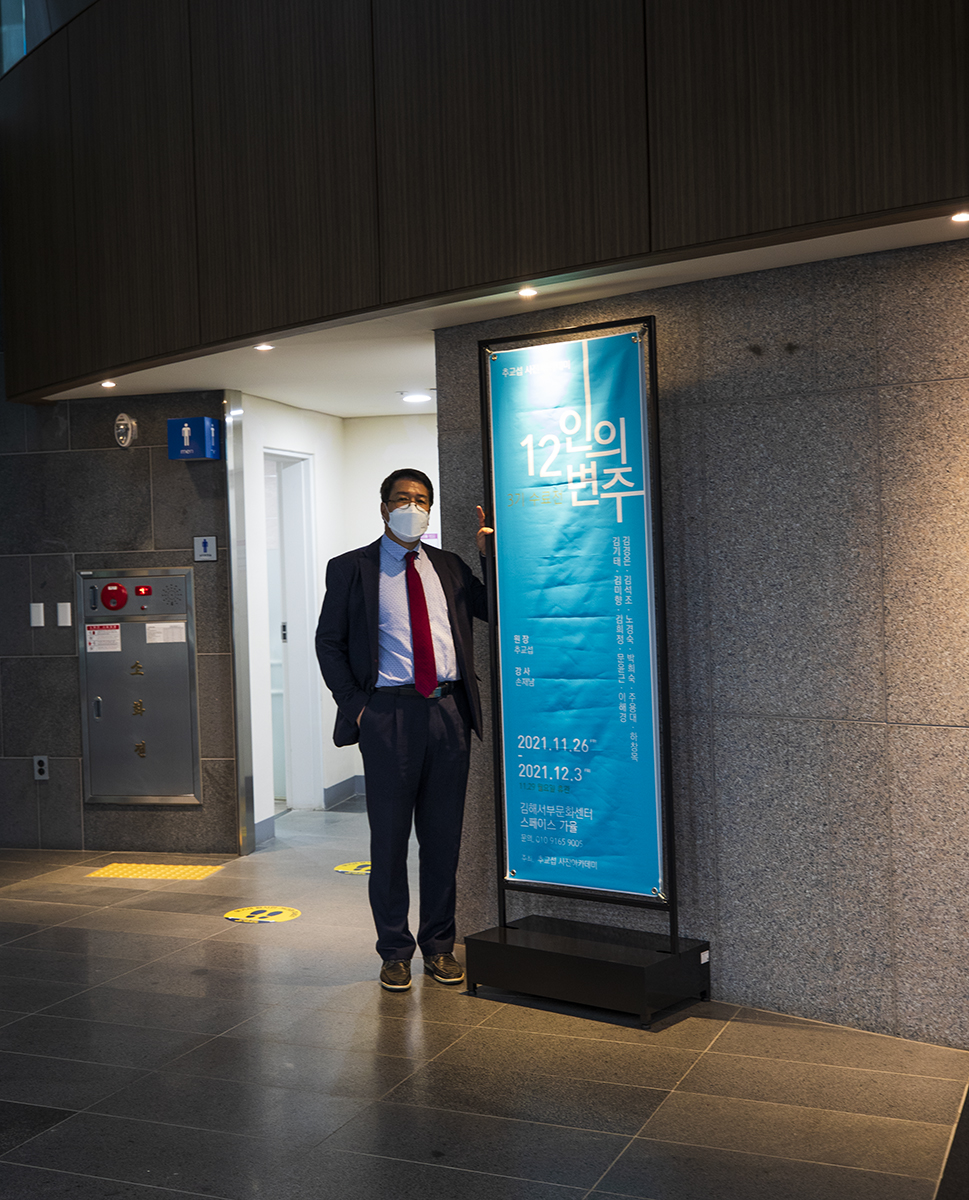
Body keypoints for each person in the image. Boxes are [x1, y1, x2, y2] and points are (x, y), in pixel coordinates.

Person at [315, 468, 492, 991]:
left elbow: (496, 610)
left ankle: (439, 946)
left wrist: (491, 557)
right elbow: (329, 643)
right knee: (390, 842)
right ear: (384, 507)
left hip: (448, 712)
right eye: (401, 499)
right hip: (388, 716)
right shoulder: (351, 568)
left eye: (421, 500)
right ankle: (394, 950)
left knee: (443, 839)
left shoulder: (450, 566)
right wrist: (358, 708)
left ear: (430, 509)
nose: (412, 507)